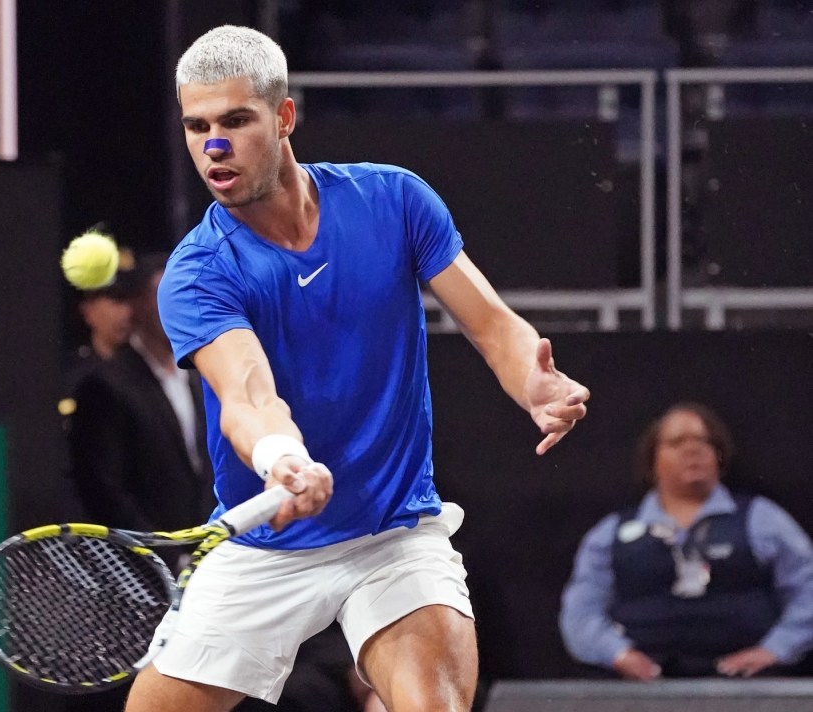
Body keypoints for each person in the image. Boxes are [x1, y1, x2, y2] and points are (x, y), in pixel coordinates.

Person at [126, 25, 590, 712]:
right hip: (265, 544)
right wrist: (283, 459)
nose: (213, 148)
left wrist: (535, 382)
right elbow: (248, 394)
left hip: (392, 534)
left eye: (235, 121)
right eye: (197, 127)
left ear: (284, 118)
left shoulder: (393, 202)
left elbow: (492, 325)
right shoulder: (197, 274)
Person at [560, 402, 813, 680]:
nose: (693, 450)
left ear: (719, 456)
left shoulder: (762, 520)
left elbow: (807, 590)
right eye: (677, 442)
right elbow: (580, 611)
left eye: (704, 441)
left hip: (744, 689)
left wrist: (775, 649)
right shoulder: (611, 533)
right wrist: (618, 654)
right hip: (642, 691)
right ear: (652, 460)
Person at [65, 251, 214, 534]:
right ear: (137, 304)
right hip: (140, 565)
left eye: (183, 293)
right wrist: (163, 551)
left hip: (203, 557)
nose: (176, 308)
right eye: (164, 296)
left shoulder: (200, 377)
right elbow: (102, 489)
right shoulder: (105, 385)